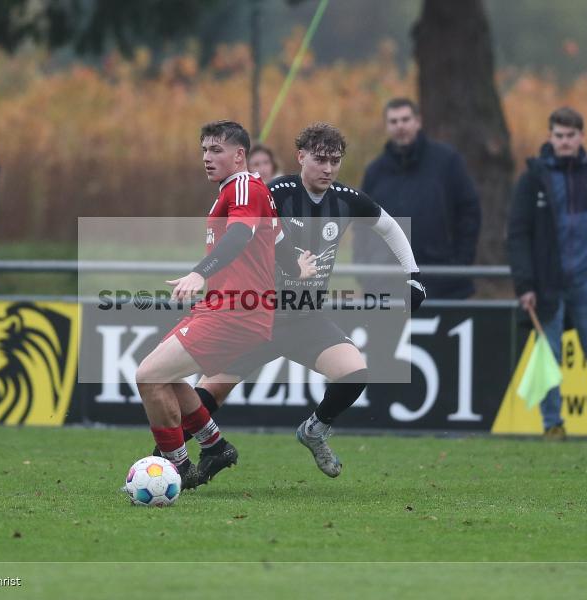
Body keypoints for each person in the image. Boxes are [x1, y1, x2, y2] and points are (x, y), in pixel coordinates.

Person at [182, 123, 424, 478]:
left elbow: (388, 226)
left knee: (354, 374)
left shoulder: (346, 198)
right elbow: (235, 233)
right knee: (207, 395)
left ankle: (314, 431)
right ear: (300, 157)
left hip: (305, 318)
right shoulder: (273, 192)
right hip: (258, 315)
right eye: (320, 159)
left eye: (335, 161)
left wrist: (413, 276)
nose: (328, 168)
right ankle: (162, 460)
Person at [135, 120, 280, 489]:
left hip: (236, 311)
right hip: (224, 307)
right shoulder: (236, 189)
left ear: (240, 155)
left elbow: (241, 235)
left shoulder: (245, 184)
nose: (207, 157)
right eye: (203, 150)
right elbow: (276, 239)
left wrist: (201, 272)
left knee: (148, 376)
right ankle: (214, 446)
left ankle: (175, 468)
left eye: (216, 150)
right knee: (165, 377)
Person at [507, 106, 587, 442]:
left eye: (570, 136)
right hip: (547, 285)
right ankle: (552, 425)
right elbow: (517, 234)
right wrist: (525, 284)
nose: (564, 141)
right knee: (550, 356)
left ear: (582, 137)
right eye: (559, 136)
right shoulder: (533, 179)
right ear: (550, 137)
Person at [354, 98, 480, 299]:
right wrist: (363, 271)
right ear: (386, 126)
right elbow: (361, 224)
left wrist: (460, 264)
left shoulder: (447, 161)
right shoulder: (374, 172)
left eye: (405, 119)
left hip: (442, 283)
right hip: (387, 285)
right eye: (394, 121)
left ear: (418, 122)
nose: (400, 126)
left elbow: (469, 212)